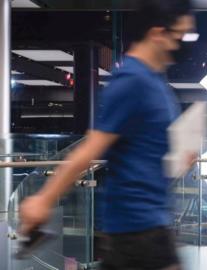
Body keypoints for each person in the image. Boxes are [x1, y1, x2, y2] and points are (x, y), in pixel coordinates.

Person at [19, 1, 195, 269]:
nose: (182, 44)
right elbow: (91, 149)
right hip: (136, 232)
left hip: (151, 227)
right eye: (180, 36)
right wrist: (43, 199)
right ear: (157, 33)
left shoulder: (154, 81)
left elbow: (143, 154)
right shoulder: (132, 80)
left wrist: (180, 162)